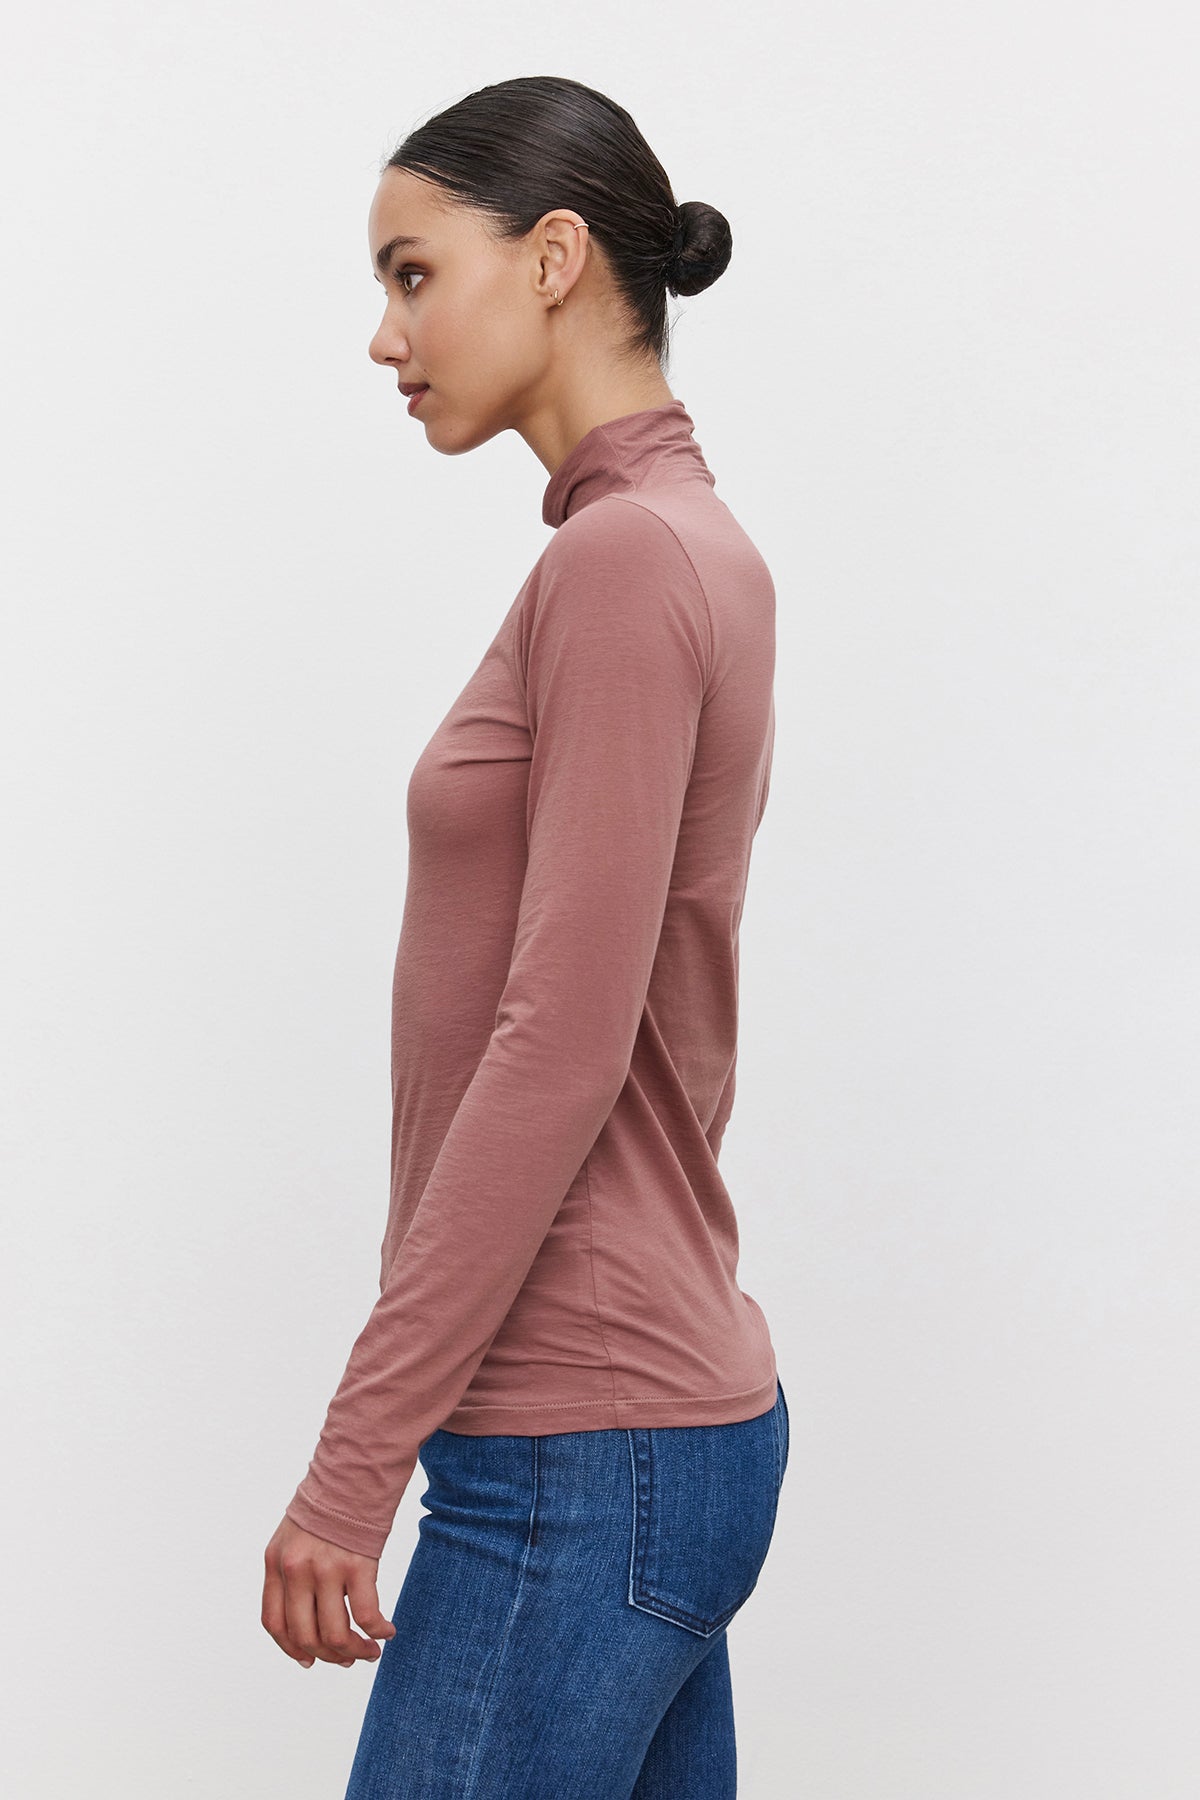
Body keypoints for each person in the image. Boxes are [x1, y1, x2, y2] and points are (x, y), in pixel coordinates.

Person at [261, 73, 790, 1798]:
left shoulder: (630, 564)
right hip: (640, 1425)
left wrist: (356, 1460)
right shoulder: (690, 547)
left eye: (413, 274)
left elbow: (562, 1042)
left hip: (580, 1441)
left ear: (556, 256)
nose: (383, 334)